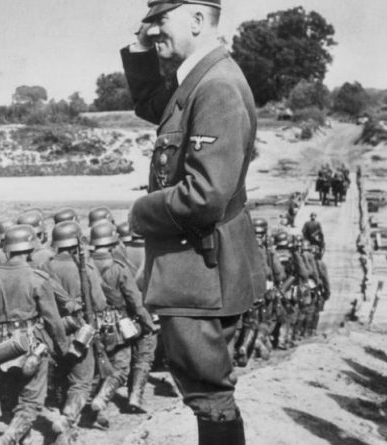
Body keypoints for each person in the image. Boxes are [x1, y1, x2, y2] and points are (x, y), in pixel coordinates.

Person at [122, 1, 265, 443]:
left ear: (198, 21)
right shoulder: (200, 79)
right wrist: (141, 47)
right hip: (199, 266)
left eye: (160, 20)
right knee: (207, 394)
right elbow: (154, 104)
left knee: (209, 395)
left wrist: (140, 212)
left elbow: (205, 196)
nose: (152, 30)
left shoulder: (216, 86)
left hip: (201, 269)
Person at [0, 224, 70, 445]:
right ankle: (9, 437)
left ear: (7, 248)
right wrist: (62, 347)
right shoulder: (38, 278)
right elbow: (53, 319)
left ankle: (22, 438)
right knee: (31, 401)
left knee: (11, 398)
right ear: (30, 248)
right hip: (31, 345)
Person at [40, 221, 108, 443]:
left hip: (54, 330)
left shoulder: (45, 267)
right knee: (81, 381)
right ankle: (67, 420)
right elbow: (99, 303)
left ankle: (66, 430)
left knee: (61, 379)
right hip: (81, 331)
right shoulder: (84, 267)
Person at [88, 221, 157, 420]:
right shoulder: (118, 267)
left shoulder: (86, 266)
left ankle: (97, 407)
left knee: (100, 366)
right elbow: (135, 300)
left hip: (92, 325)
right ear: (112, 241)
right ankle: (106, 399)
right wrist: (148, 324)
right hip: (117, 325)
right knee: (122, 367)